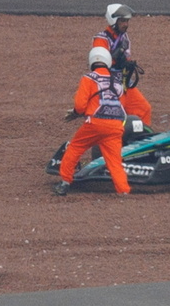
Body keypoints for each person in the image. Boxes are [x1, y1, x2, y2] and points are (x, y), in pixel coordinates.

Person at [54, 47, 130, 196]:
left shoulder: (88, 78)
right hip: (115, 126)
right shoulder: (117, 81)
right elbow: (122, 103)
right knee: (114, 161)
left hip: (95, 123)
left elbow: (80, 105)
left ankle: (64, 182)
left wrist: (77, 113)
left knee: (75, 147)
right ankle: (123, 190)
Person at [92, 3, 153, 126]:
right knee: (118, 117)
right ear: (113, 21)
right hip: (108, 85)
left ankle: (140, 139)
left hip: (124, 83)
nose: (126, 24)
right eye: (123, 21)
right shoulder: (101, 39)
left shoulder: (124, 37)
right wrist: (116, 57)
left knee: (143, 109)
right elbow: (99, 66)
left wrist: (128, 64)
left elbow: (126, 57)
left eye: (127, 21)